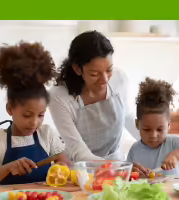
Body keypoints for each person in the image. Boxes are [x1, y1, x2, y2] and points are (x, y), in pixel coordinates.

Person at [49, 30, 150, 176]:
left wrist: (159, 143)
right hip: (82, 174)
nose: (104, 80)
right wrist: (118, 168)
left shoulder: (119, 79)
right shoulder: (59, 96)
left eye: (109, 70)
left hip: (118, 168)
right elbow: (78, 150)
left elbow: (127, 118)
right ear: (77, 69)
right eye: (94, 74)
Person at [0, 42, 68, 186]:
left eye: (41, 115)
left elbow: (64, 161)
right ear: (10, 108)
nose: (34, 122)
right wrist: (8, 167)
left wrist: (62, 167)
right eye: (27, 115)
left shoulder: (47, 134)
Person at [127, 77, 179, 176]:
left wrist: (175, 155)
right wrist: (132, 171)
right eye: (147, 129)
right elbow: (127, 174)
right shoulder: (135, 150)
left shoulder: (173, 144)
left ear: (168, 125)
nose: (154, 135)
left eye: (160, 129)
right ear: (137, 124)